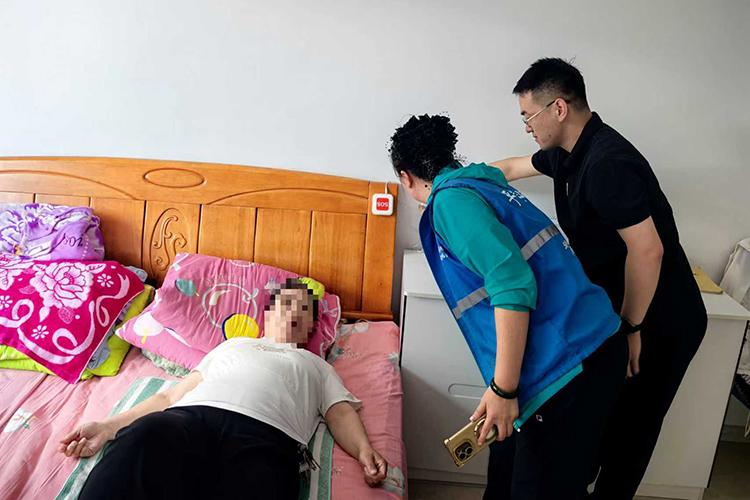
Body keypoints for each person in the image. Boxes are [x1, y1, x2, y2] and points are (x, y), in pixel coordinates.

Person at [492, 57, 707, 499]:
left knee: (632, 429)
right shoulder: (567, 154)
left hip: (662, 317)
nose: (526, 127)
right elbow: (510, 169)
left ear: (558, 108)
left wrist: (632, 328)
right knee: (598, 420)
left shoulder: (608, 163)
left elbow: (648, 251)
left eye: (528, 116)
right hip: (620, 310)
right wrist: (453, 184)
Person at [390, 114, 628, 499]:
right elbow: (507, 168)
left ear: (405, 177)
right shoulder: (479, 180)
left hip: (567, 364)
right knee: (507, 474)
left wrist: (503, 390)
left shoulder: (452, 201)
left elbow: (513, 285)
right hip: (591, 343)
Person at [60, 278, 387, 500]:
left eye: (303, 311)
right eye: (286, 305)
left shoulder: (316, 364)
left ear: (311, 327)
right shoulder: (233, 345)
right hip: (190, 418)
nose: (292, 314)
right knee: (142, 440)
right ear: (268, 314)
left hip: (267, 437)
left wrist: (363, 450)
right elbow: (169, 396)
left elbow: (339, 412)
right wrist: (108, 427)